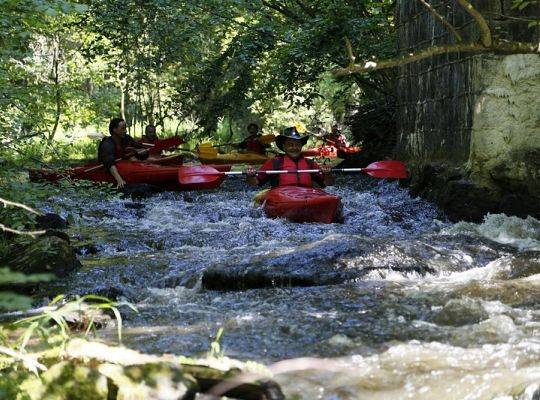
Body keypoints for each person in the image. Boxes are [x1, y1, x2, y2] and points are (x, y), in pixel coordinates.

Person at [246, 126, 334, 188]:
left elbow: (327, 183)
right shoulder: (274, 163)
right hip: (282, 197)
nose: (294, 148)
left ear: (301, 146)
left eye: (297, 145)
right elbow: (255, 183)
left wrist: (328, 174)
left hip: (306, 195)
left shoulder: (310, 163)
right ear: (284, 147)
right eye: (290, 145)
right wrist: (251, 176)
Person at [98, 118, 149, 188]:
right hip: (108, 169)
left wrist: (138, 151)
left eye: (125, 128)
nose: (126, 131)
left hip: (124, 167)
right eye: (123, 128)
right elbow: (110, 163)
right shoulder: (107, 144)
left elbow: (143, 153)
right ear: (114, 130)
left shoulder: (127, 138)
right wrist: (119, 179)